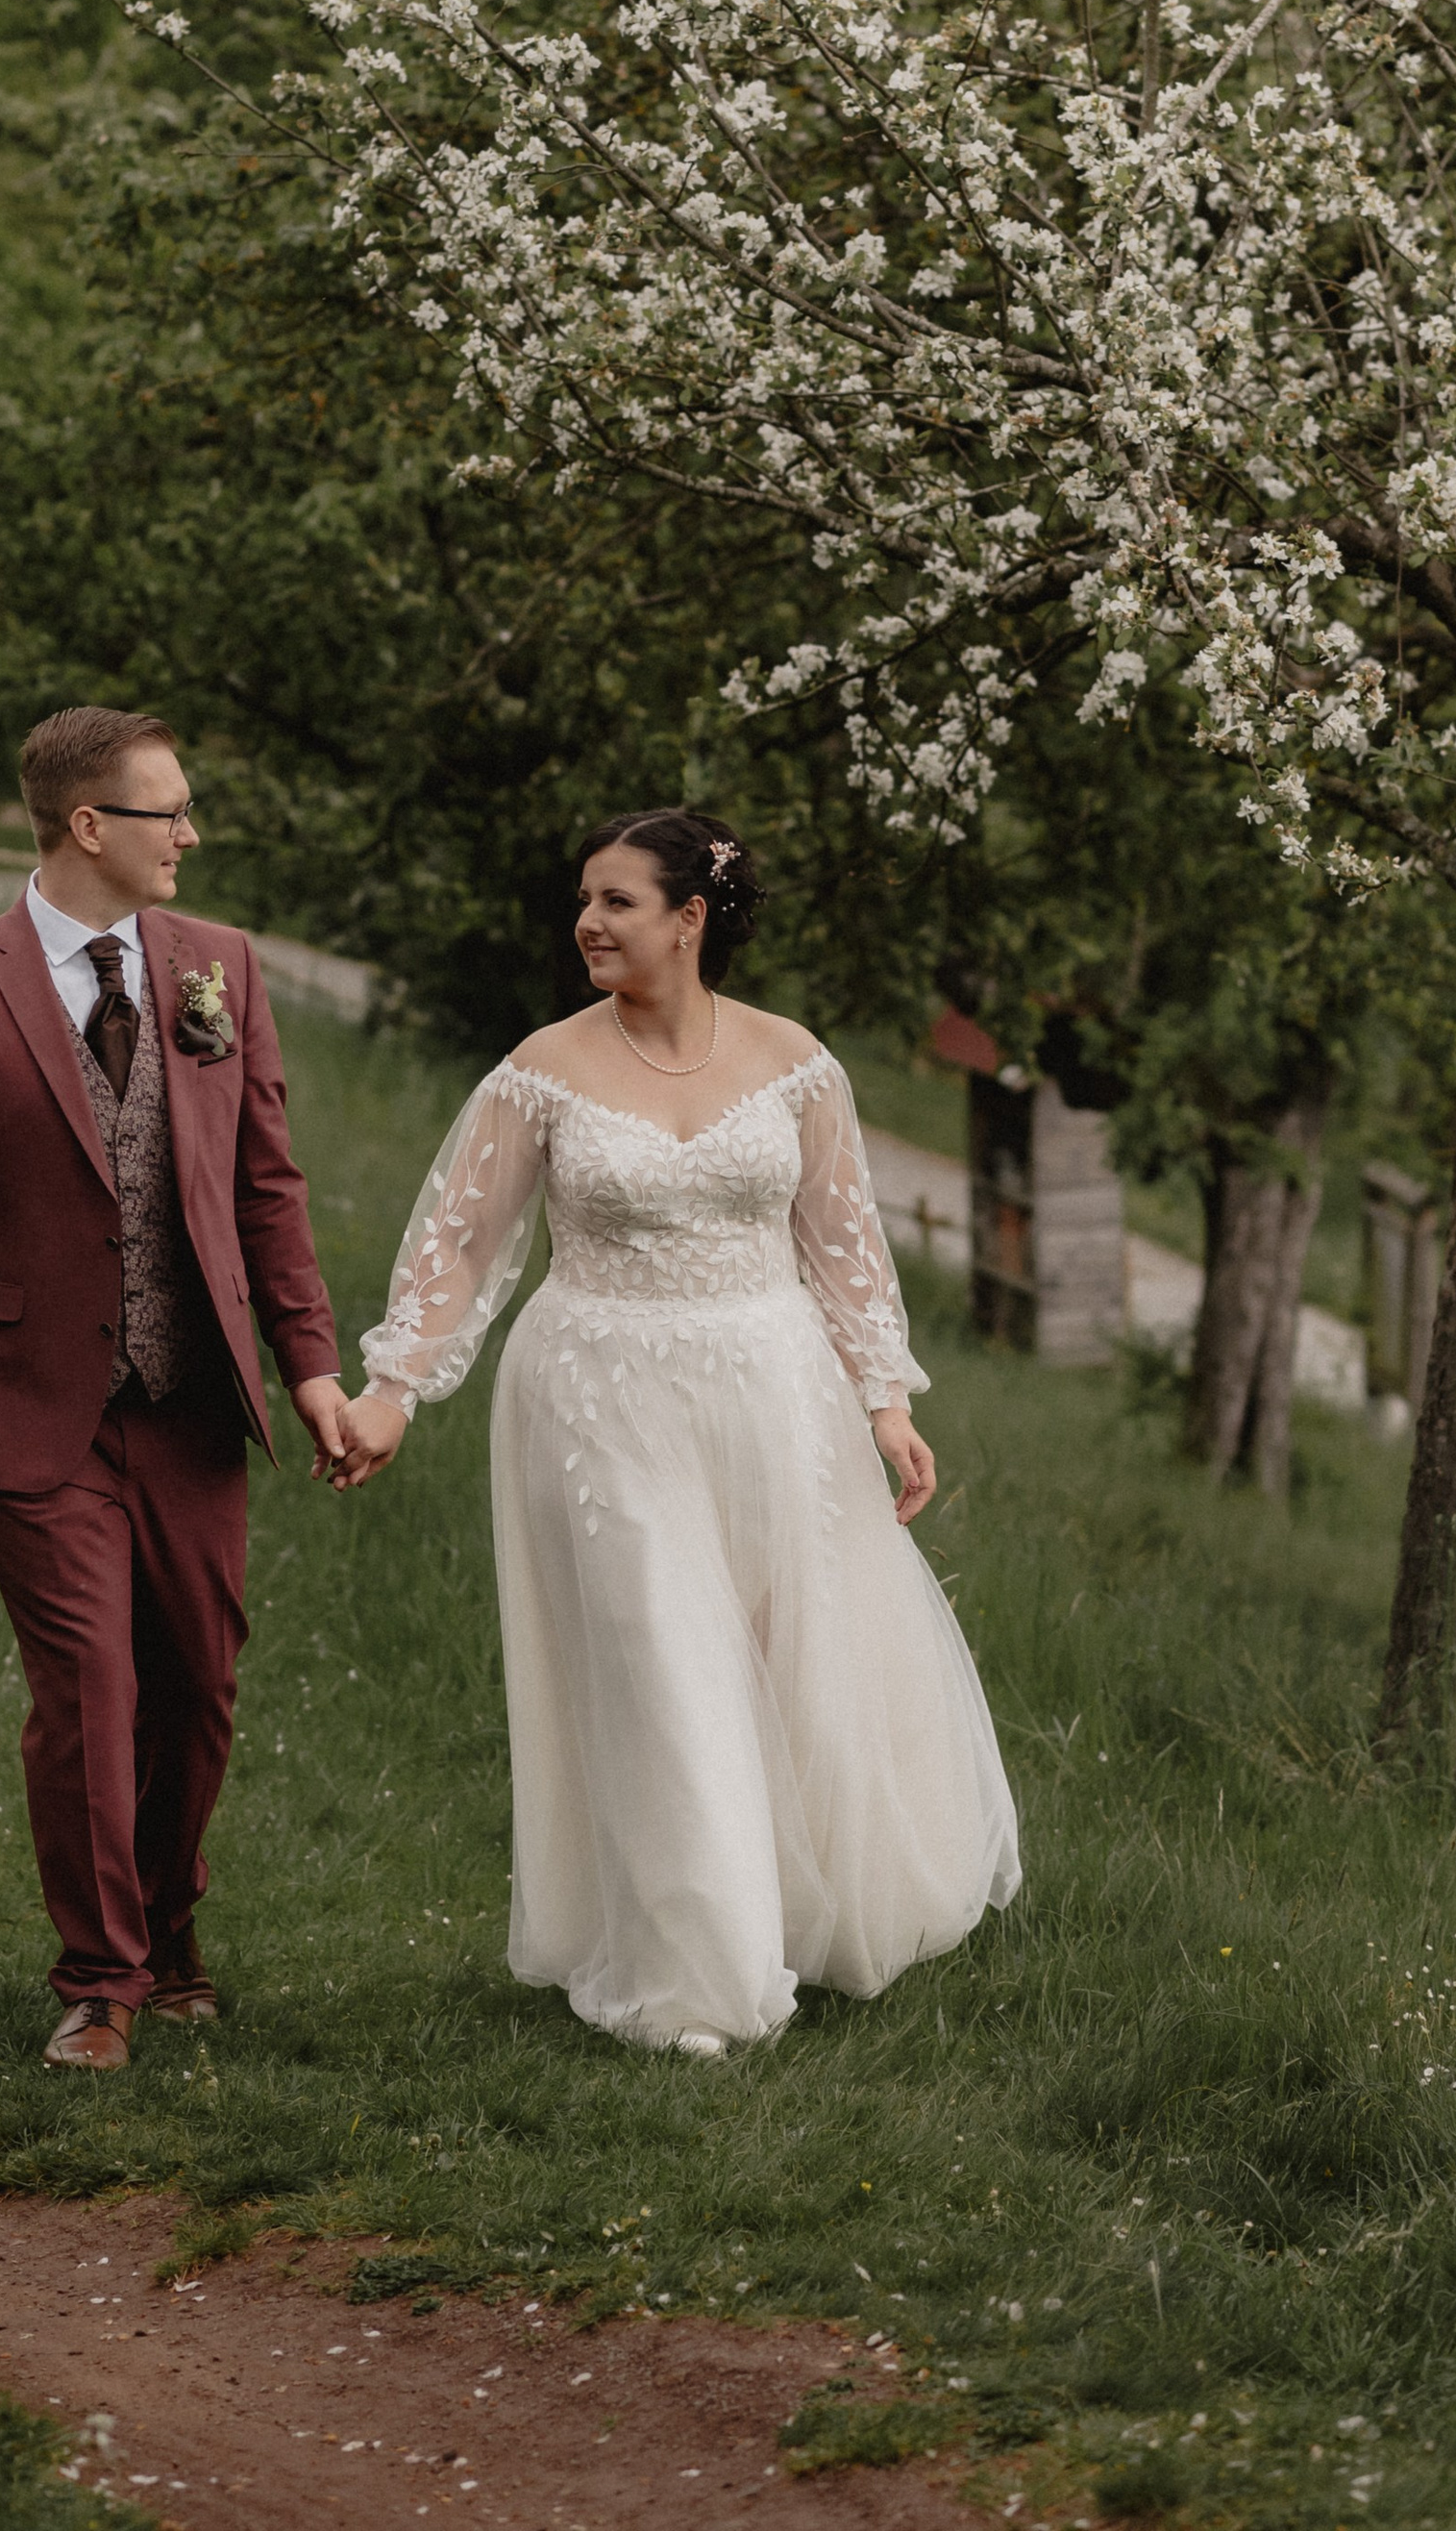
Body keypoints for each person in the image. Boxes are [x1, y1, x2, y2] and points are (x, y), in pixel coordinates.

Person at [331, 807, 1020, 2054]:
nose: (587, 923)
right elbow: (462, 1245)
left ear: (690, 918)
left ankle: (792, 1915)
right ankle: (694, 1979)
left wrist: (887, 1398)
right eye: (583, 901)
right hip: (598, 1395)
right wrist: (394, 1389)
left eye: (617, 901)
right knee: (663, 1663)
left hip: (775, 1391)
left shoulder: (796, 1064)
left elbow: (843, 1243)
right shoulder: (542, 1070)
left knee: (789, 1656)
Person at [0, 704, 350, 2071]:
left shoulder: (217, 969)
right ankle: (101, 1981)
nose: (190, 833)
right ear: (88, 824)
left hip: (191, 1400)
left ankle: (170, 1929)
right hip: (28, 1402)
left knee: (197, 1684)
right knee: (88, 1683)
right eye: (167, 810)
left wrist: (311, 1365)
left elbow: (265, 1187)